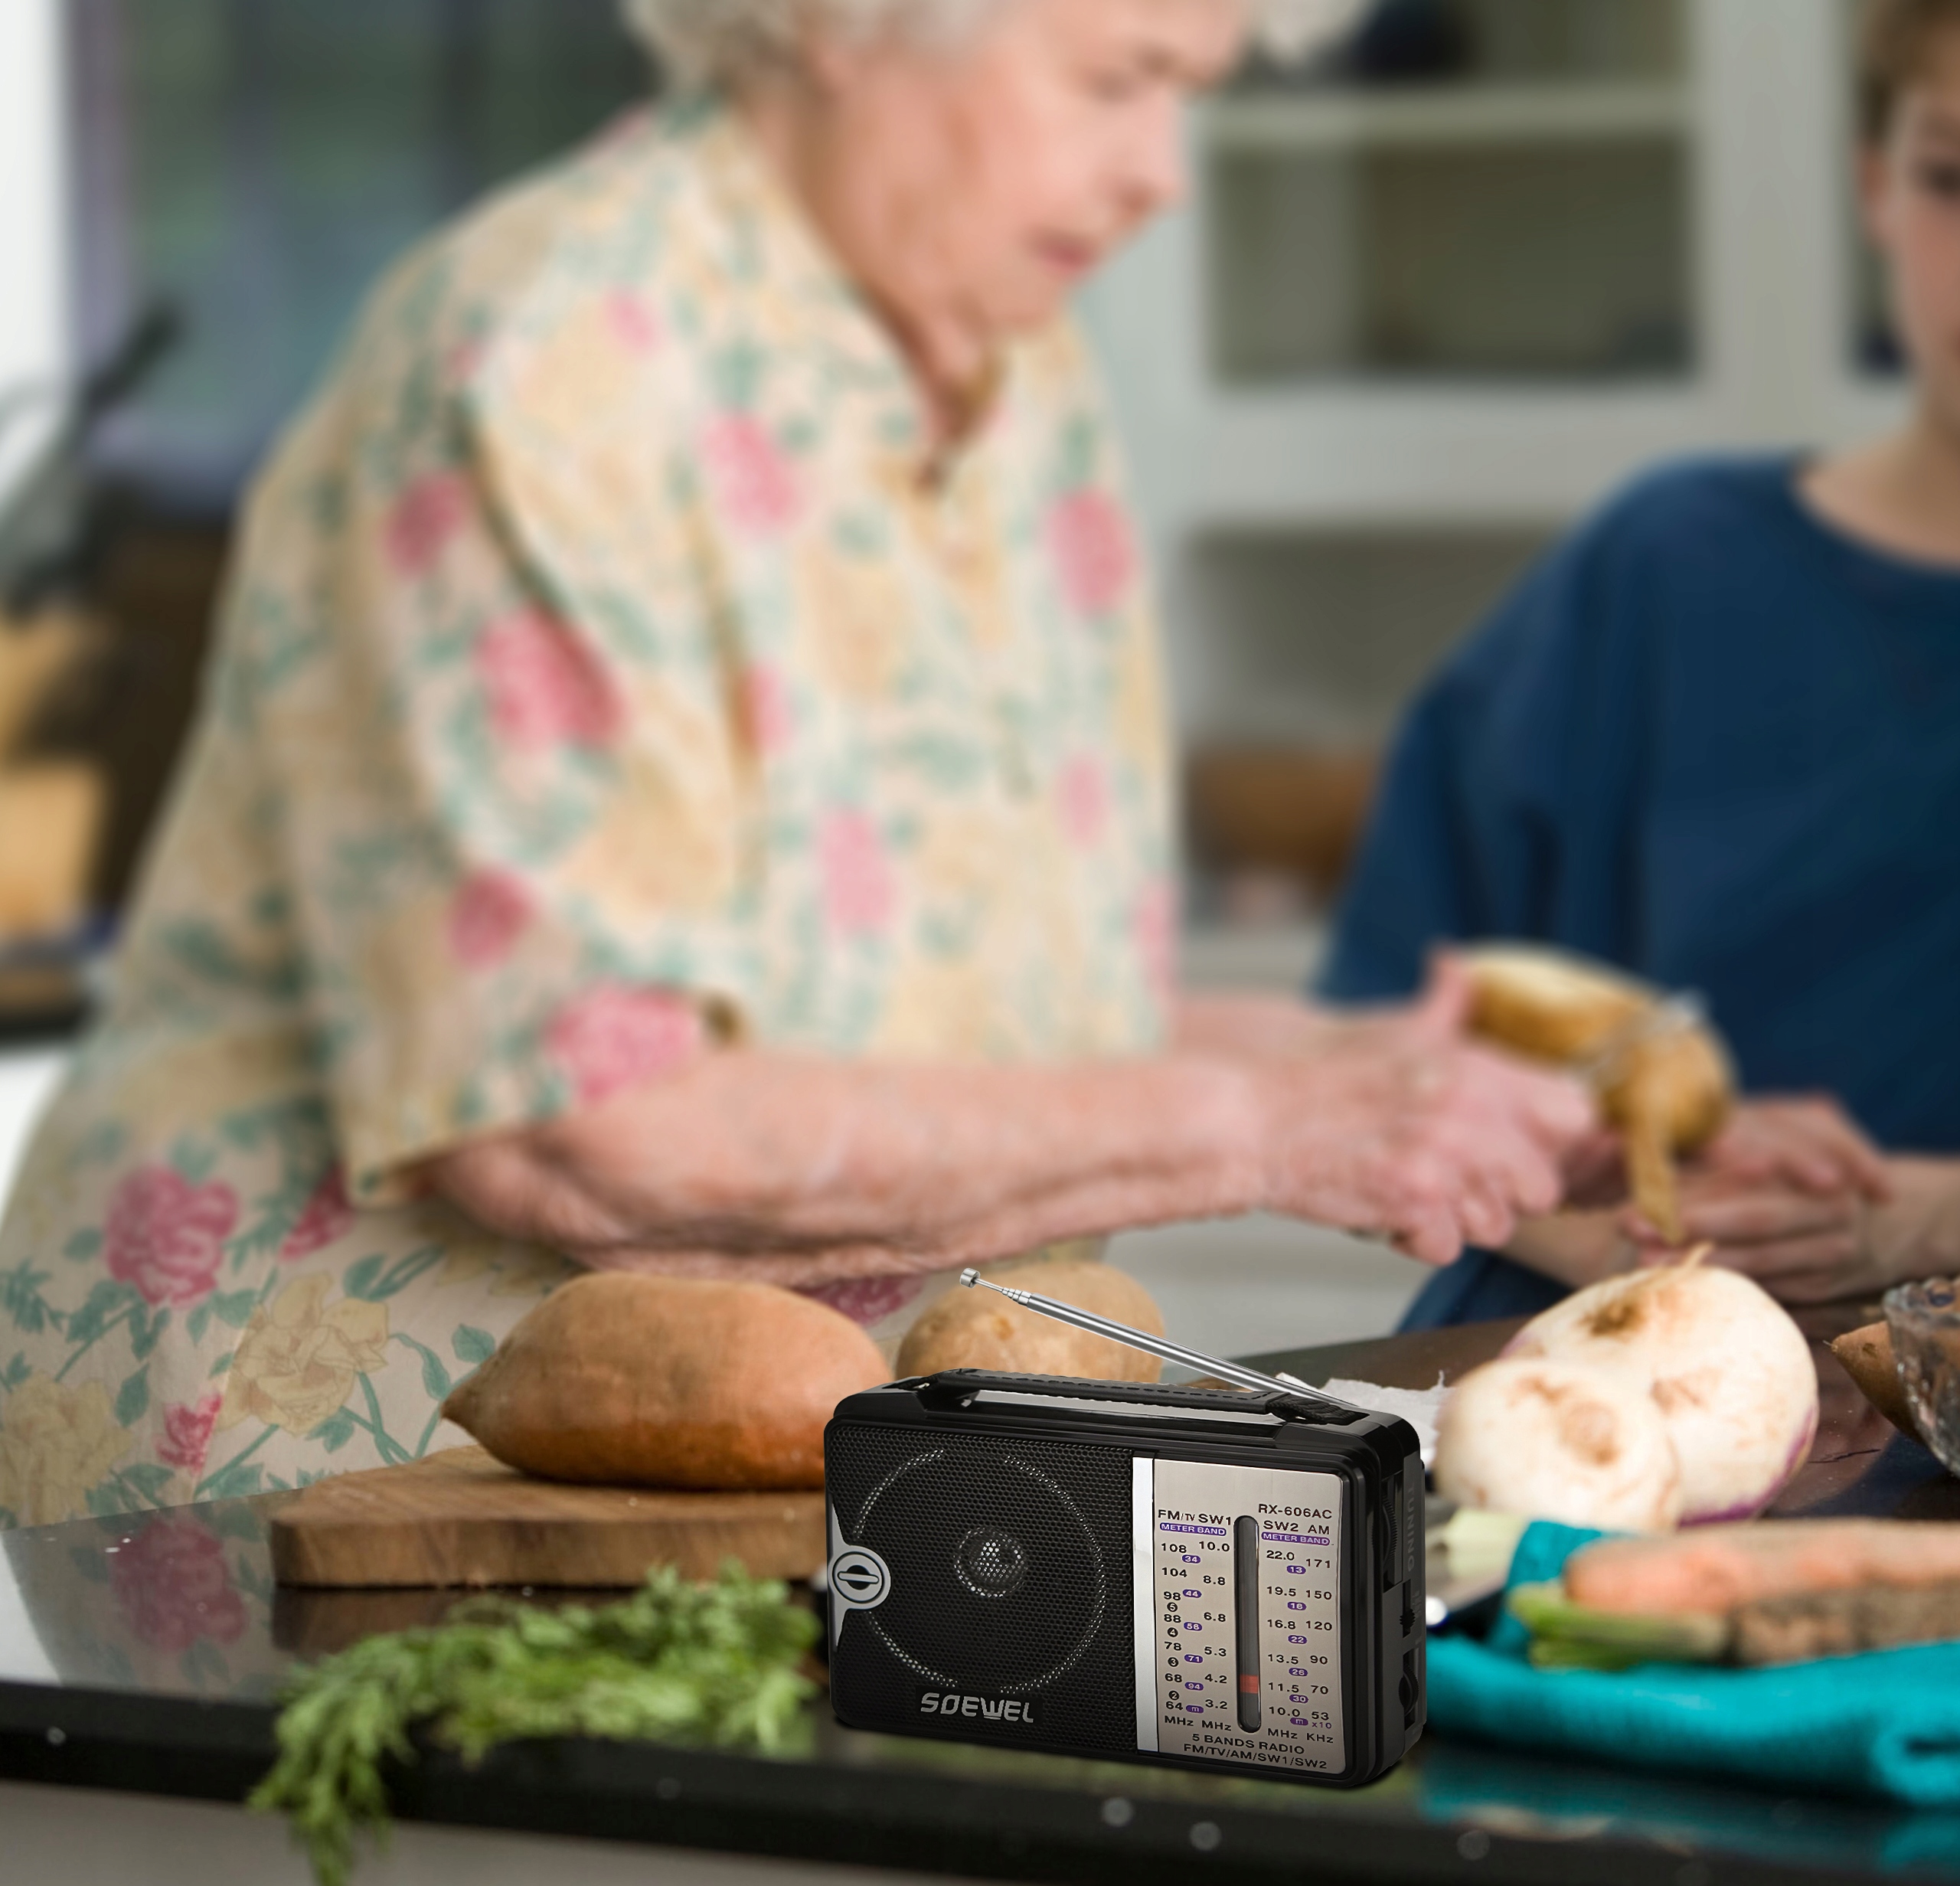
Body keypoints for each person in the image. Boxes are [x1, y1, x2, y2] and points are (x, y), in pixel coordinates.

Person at [0, 0, 1589, 1527]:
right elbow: (583, 1122)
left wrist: (1406, 1089)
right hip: (324, 1501)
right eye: (1117, 77)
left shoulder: (1016, 367)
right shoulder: (551, 359)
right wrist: (1254, 1127)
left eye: (1192, 90)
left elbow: (975, 1013)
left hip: (803, 1493)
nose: (1162, 171)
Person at [1323, 0, 1960, 1329]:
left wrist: (1913, 1221)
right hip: (1574, 1392)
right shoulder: (1663, 572)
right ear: (1875, 187)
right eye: (1955, 179)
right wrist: (1625, 1228)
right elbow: (1365, 1067)